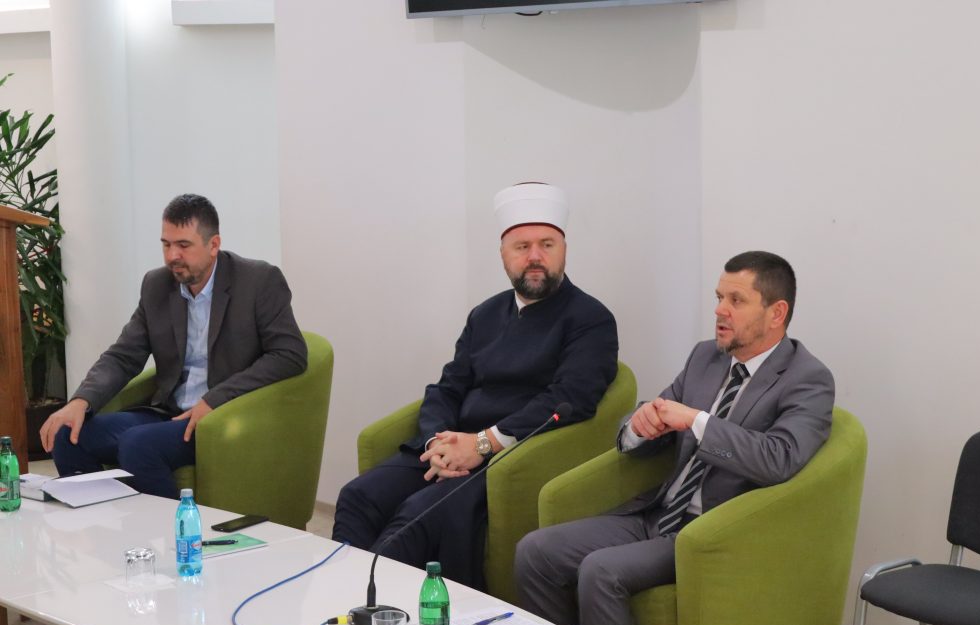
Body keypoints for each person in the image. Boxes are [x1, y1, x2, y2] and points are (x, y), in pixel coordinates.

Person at [514, 250, 835, 625]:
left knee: (601, 570)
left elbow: (780, 459)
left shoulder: (807, 378)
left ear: (777, 313)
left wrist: (697, 421)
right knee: (535, 551)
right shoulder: (705, 357)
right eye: (719, 297)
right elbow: (658, 413)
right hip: (657, 514)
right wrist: (639, 425)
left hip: (711, 532)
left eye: (736, 301)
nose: (719, 310)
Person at [332, 182, 619, 589]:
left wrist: (482, 444)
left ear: (564, 250)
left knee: (413, 519)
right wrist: (438, 443)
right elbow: (448, 387)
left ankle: (376, 611)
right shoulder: (485, 314)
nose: (535, 257)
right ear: (503, 255)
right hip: (454, 446)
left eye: (546, 245)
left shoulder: (590, 319)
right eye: (522, 247)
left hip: (509, 458)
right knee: (358, 496)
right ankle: (344, 600)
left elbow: (570, 399)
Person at [40, 194, 307, 499]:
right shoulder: (157, 285)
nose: (171, 256)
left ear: (214, 245)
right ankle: (104, 520)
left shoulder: (258, 281)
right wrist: (80, 401)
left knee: (138, 445)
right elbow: (123, 355)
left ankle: (174, 528)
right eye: (166, 244)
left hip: (222, 415)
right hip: (169, 413)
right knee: (67, 435)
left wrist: (216, 399)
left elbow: (290, 354)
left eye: (183, 245)